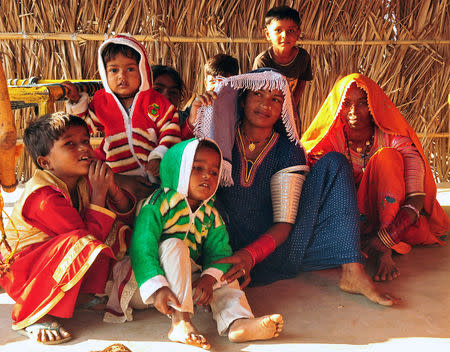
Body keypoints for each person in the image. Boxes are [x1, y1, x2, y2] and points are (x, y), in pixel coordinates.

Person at [189, 69, 396, 307]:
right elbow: (184, 172)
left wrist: (249, 256)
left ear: (283, 109)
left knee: (336, 163)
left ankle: (352, 271)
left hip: (276, 248)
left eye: (276, 99)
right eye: (258, 94)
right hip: (220, 241)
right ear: (243, 99)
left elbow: (284, 224)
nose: (266, 104)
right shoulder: (220, 138)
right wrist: (194, 119)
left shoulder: (288, 151)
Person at [103, 138, 283, 350]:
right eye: (197, 167)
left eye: (215, 172)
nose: (207, 175)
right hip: (140, 285)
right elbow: (142, 250)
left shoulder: (210, 213)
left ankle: (237, 322)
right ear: (177, 168)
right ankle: (181, 322)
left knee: (224, 273)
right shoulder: (157, 205)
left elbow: (220, 252)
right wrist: (159, 288)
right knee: (174, 245)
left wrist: (208, 278)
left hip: (181, 283)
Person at [0, 112, 135, 344]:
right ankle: (31, 314)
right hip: (24, 273)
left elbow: (121, 217)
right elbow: (85, 238)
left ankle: (82, 295)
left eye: (85, 141)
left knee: (119, 230)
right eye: (70, 144)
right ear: (45, 162)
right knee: (80, 242)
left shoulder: (82, 181)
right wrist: (100, 195)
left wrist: (111, 190)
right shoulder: (42, 197)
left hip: (49, 262)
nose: (84, 148)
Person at [301, 73, 449, 281]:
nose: (353, 112)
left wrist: (389, 237)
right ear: (338, 108)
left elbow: (416, 197)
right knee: (331, 163)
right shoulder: (330, 141)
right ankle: (354, 243)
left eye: (362, 103)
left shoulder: (393, 138)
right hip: (350, 220)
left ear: (374, 105)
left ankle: (384, 250)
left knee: (387, 157)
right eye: (346, 104)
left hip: (392, 219)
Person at [63, 35, 181, 200]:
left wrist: (159, 156)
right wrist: (76, 103)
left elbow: (170, 127)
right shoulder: (101, 101)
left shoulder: (155, 101)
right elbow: (85, 127)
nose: (122, 76)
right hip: (119, 176)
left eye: (130, 69)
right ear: (105, 72)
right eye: (114, 70)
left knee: (154, 209)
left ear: (142, 70)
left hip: (155, 175)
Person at [252, 5, 312, 129]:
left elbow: (303, 81)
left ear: (298, 33)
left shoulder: (303, 57)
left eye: (290, 30)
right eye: (278, 30)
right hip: (267, 111)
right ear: (268, 34)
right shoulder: (263, 61)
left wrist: (292, 106)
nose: (284, 35)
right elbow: (258, 92)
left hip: (290, 112)